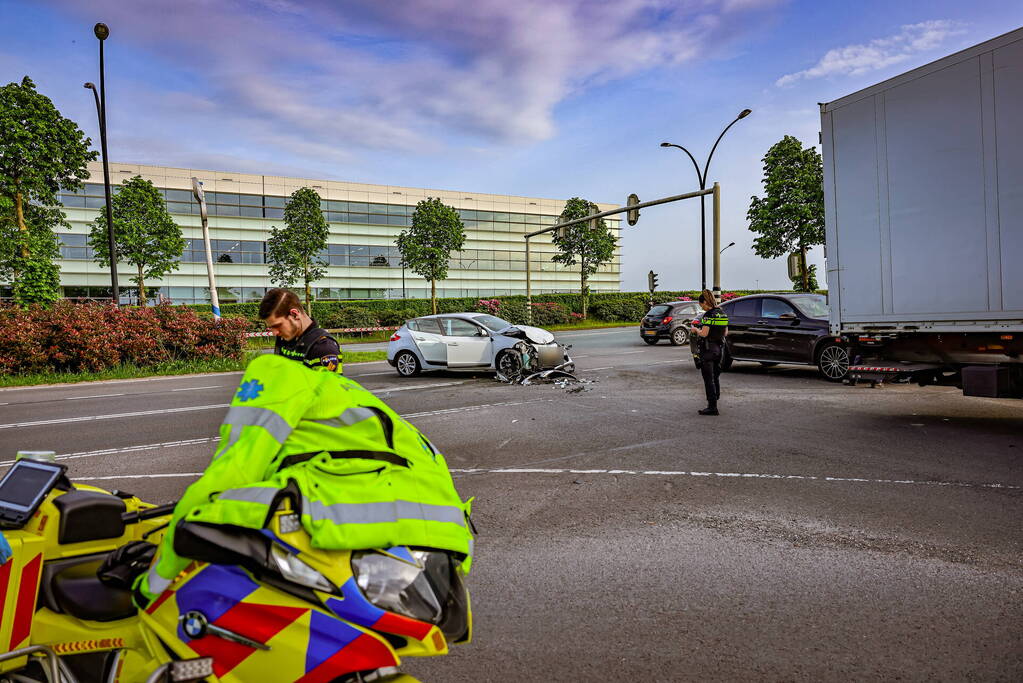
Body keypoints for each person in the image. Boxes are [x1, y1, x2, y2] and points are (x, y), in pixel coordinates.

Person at [135, 353, 475, 604]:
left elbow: (229, 475)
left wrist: (151, 584)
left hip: (375, 536)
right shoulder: (345, 394)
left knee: (217, 512)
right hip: (445, 547)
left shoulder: (272, 374)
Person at [260, 288, 343, 373]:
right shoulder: (285, 339)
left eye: (278, 325)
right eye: (271, 328)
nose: (275, 333)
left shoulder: (324, 348)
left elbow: (330, 386)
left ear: (294, 314)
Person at [691, 289, 728, 415]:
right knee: (715, 377)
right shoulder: (722, 313)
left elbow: (704, 333)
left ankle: (712, 407)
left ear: (705, 302)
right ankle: (716, 398)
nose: (702, 308)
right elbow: (726, 333)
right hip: (719, 349)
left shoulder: (708, 315)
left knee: (708, 379)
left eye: (702, 305)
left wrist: (696, 330)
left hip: (708, 350)